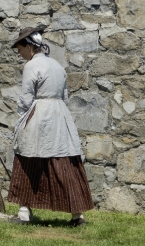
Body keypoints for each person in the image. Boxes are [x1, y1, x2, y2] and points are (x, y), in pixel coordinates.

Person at [7, 26, 94, 226]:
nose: (20, 54)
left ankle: (23, 214)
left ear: (29, 46)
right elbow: (64, 96)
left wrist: (21, 120)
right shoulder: (57, 65)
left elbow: (27, 97)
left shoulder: (31, 66)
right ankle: (77, 215)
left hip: (40, 114)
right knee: (63, 162)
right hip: (60, 113)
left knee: (28, 160)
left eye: (20, 49)